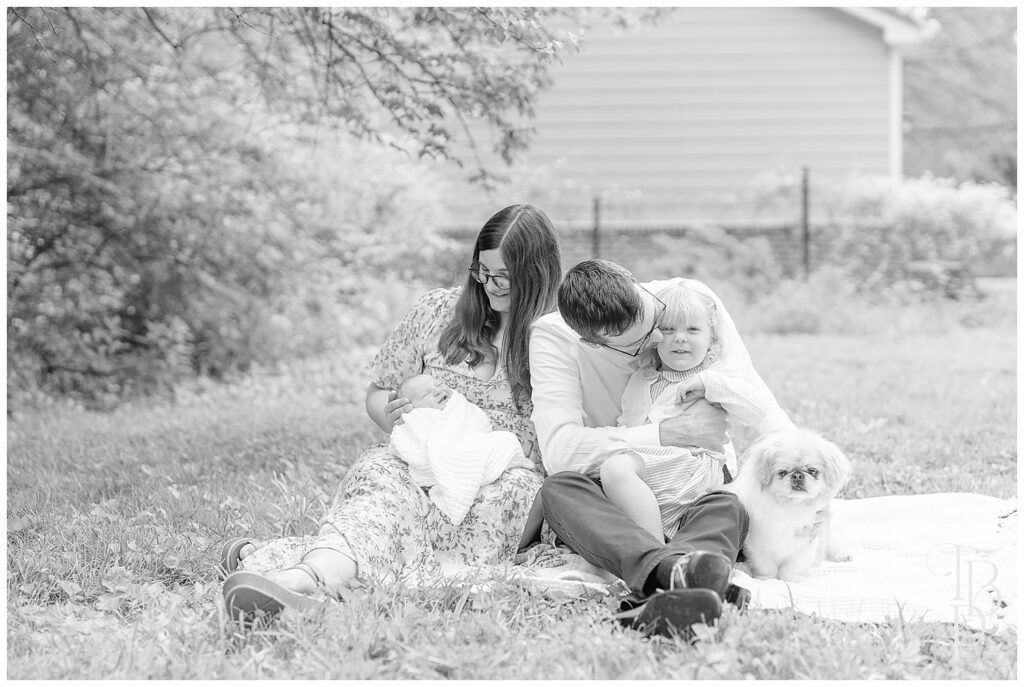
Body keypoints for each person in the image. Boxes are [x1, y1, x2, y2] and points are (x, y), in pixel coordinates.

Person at [220, 204, 562, 619]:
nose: (490, 286)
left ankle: (318, 570)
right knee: (382, 480)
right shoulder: (437, 311)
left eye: (504, 277)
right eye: (482, 272)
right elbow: (379, 391)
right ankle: (307, 579)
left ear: (536, 274)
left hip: (503, 483)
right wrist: (396, 416)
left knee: (456, 511)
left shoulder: (557, 335)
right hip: (420, 462)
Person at [527, 259, 791, 636]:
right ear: (596, 343)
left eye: (656, 320)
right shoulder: (555, 338)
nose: (663, 339)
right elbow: (559, 451)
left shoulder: (689, 301)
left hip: (696, 491)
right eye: (651, 336)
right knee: (560, 488)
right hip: (629, 495)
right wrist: (665, 433)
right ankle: (676, 572)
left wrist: (805, 473)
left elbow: (763, 411)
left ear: (637, 287)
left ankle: (652, 580)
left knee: (729, 504)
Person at [599, 282, 794, 542]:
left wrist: (711, 385)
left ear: (712, 338)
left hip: (695, 468)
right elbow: (628, 425)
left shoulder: (713, 379)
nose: (680, 337)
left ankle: (652, 552)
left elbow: (758, 410)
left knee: (616, 469)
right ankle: (658, 542)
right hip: (654, 472)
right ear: (653, 337)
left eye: (692, 329)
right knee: (605, 481)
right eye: (668, 330)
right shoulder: (641, 380)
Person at [388, 373, 535, 526]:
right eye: (426, 394)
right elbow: (407, 443)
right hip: (439, 462)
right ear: (411, 407)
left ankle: (494, 463)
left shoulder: (458, 406)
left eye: (439, 385)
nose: (437, 391)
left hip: (475, 445)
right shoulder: (420, 419)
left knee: (505, 439)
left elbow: (478, 424)